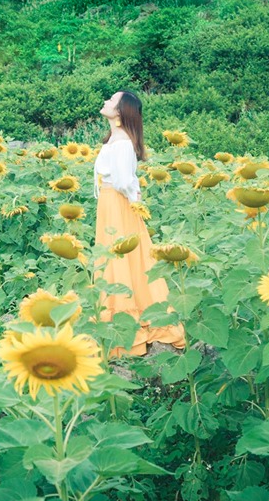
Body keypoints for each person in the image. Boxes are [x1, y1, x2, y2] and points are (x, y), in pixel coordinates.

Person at [93, 90, 186, 357]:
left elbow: (123, 181)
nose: (105, 102)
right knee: (120, 259)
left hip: (118, 205)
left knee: (122, 259)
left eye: (111, 101)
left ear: (121, 112)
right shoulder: (114, 139)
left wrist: (135, 198)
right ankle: (122, 322)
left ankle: (128, 326)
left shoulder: (122, 142)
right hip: (112, 204)